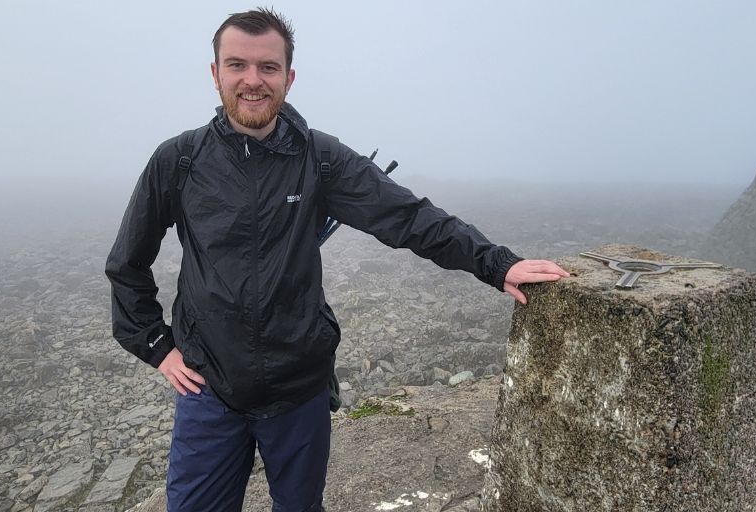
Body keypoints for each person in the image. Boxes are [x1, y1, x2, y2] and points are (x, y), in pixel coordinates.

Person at [105, 7, 569, 512]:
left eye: (268, 67)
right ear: (215, 73)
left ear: (289, 77)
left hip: (298, 388)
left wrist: (496, 263)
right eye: (237, 65)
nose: (252, 80)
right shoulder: (179, 160)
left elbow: (408, 217)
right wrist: (157, 346)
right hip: (208, 388)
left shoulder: (319, 159)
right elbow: (128, 262)